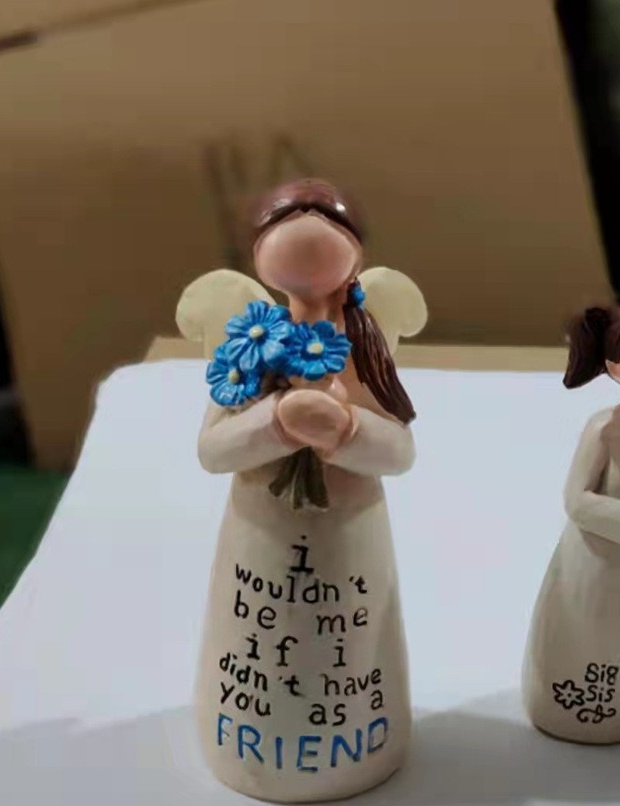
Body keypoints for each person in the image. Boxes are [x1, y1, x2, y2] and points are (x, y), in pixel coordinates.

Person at [192, 179, 420, 802]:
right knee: (257, 641)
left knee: (347, 642)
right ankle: (246, 747)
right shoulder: (248, 345)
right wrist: (277, 422)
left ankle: (358, 744)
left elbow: (400, 451)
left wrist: (345, 431)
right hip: (259, 548)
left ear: (355, 257)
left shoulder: (365, 350)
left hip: (349, 549)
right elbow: (212, 450)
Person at [524, 299, 620, 744]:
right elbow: (577, 500)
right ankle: (603, 711)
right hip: (606, 562)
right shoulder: (605, 430)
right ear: (615, 368)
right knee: (609, 639)